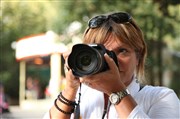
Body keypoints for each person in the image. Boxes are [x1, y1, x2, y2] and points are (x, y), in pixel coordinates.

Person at [44, 11, 180, 119]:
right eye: (102, 52)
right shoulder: (79, 96)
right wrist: (70, 89)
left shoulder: (161, 98)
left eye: (122, 51)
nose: (111, 60)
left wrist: (117, 92)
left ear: (138, 56)